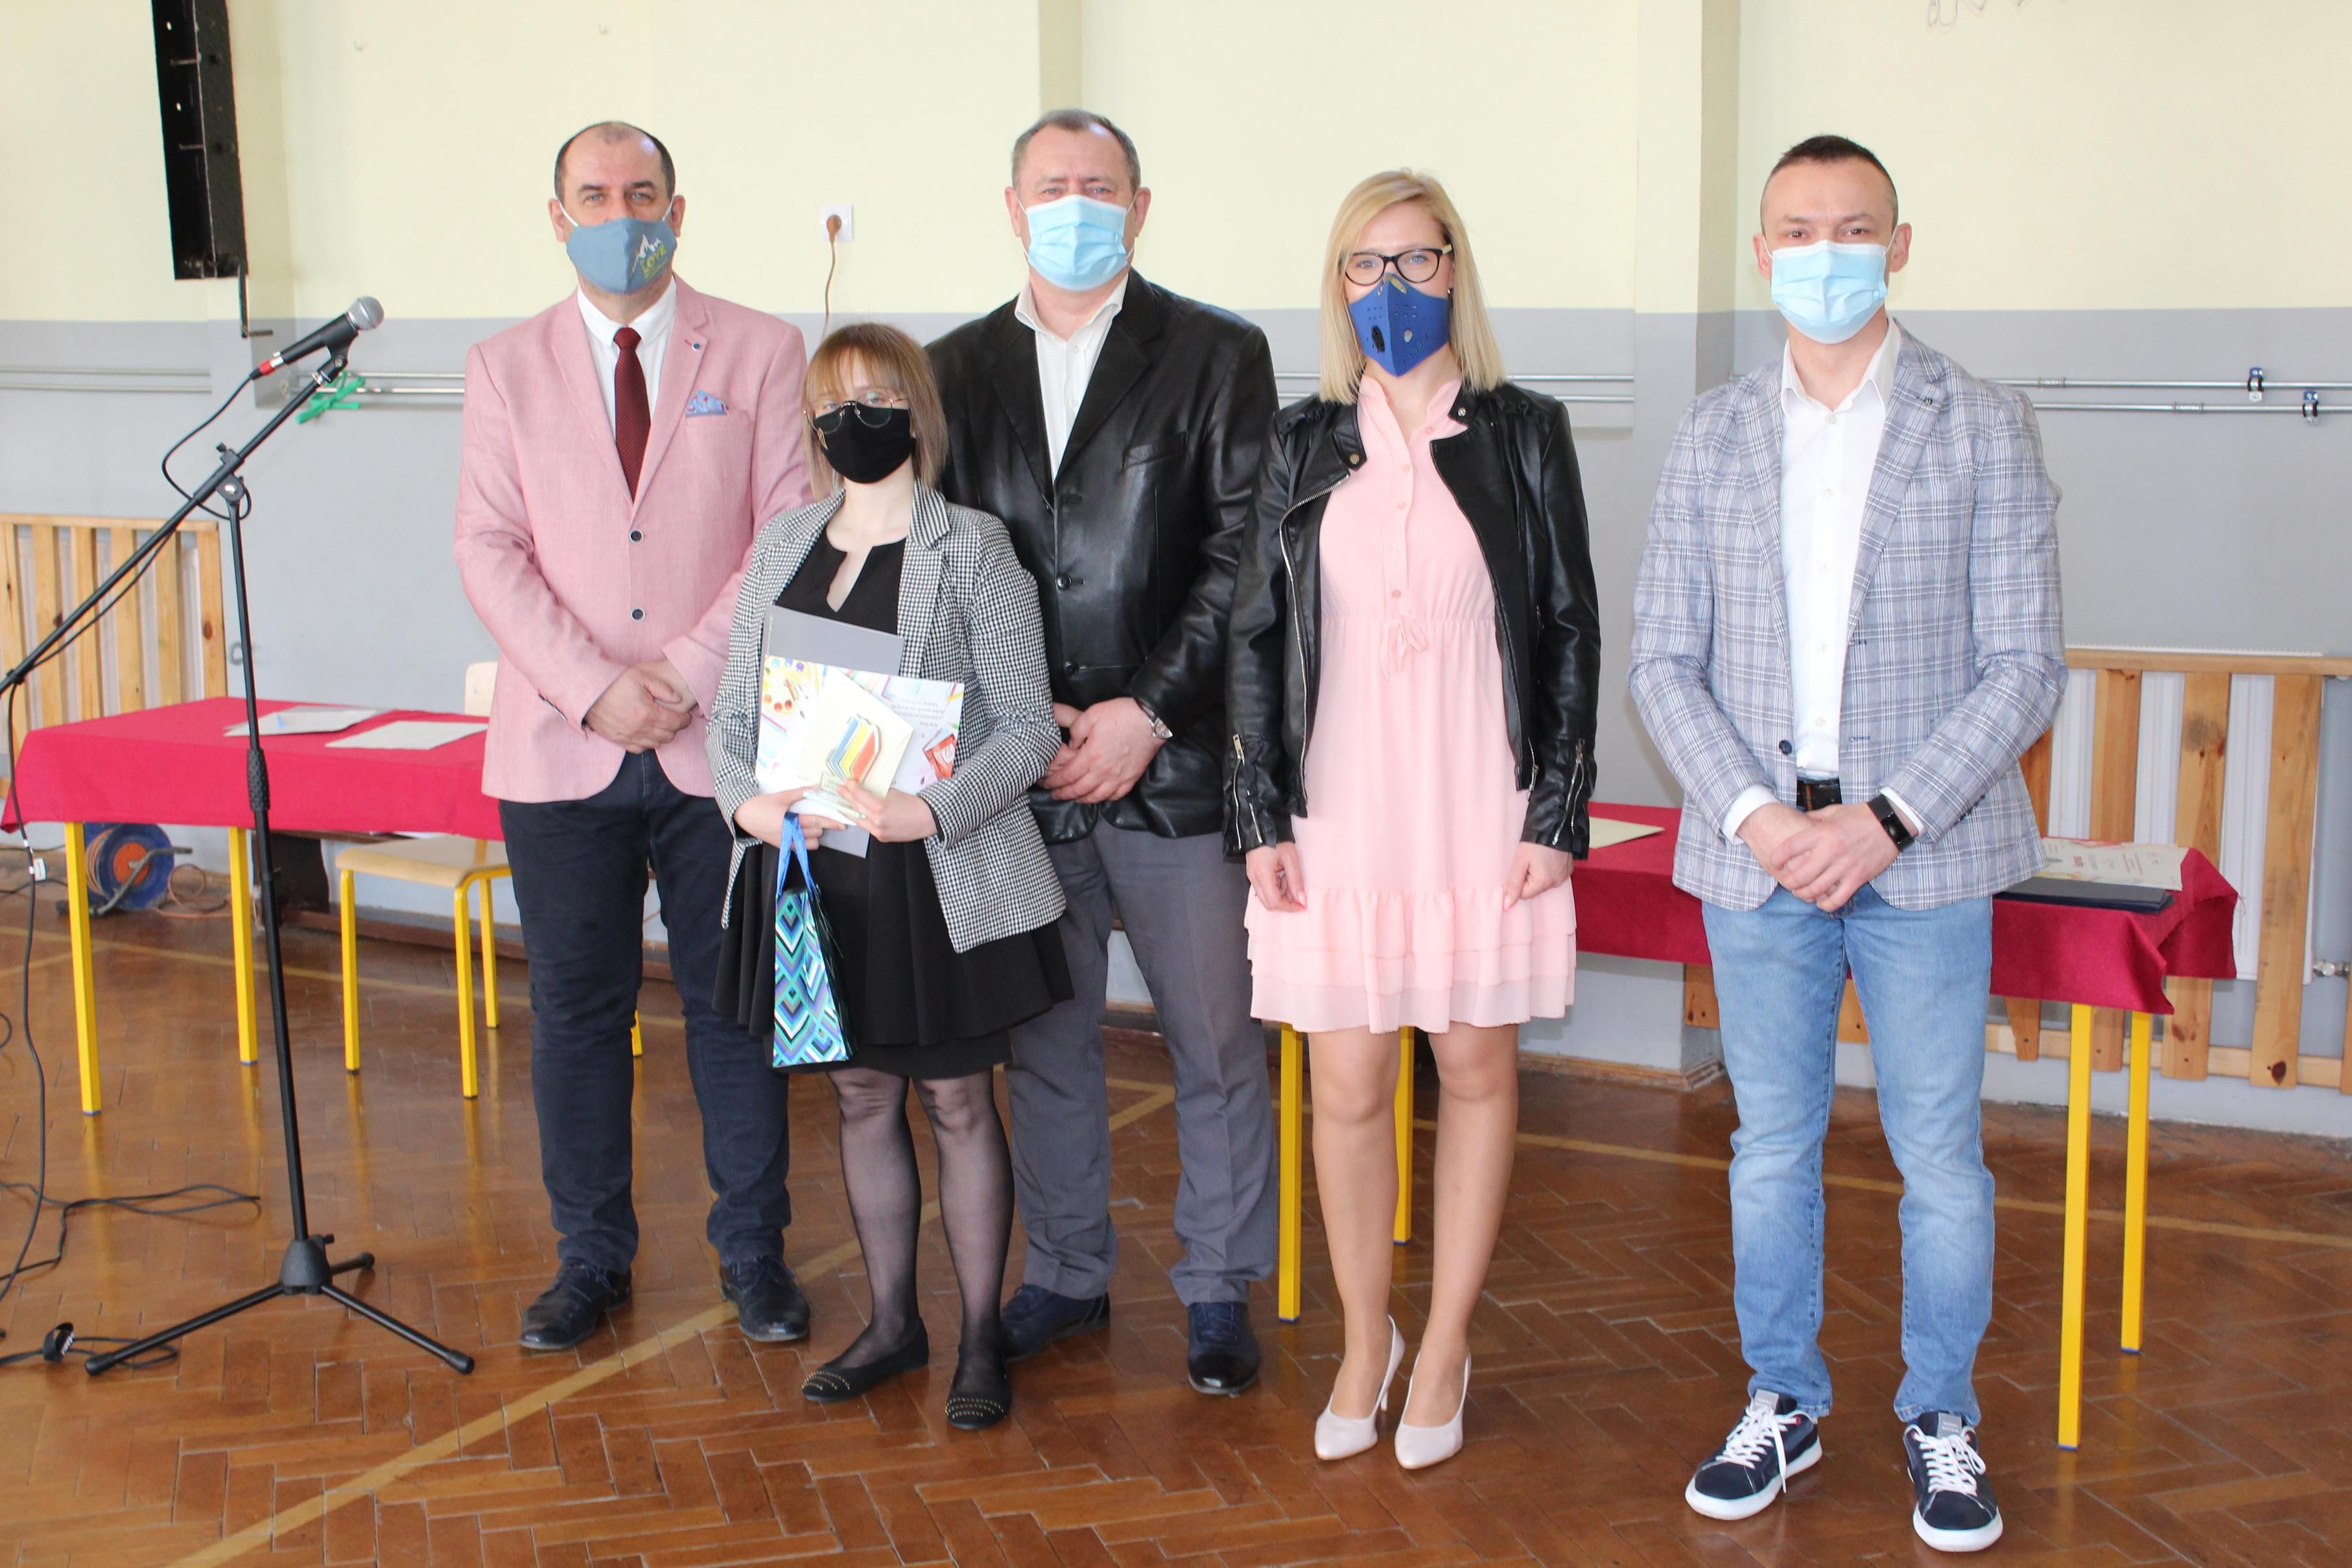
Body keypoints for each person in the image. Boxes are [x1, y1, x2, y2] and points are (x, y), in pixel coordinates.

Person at [1629, 135, 2063, 1552]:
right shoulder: (1710, 434)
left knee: (1939, 1156)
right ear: (1760, 254)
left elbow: (2022, 665)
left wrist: (1882, 820)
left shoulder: (1978, 422)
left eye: (1853, 227)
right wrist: (1757, 817)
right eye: (1798, 231)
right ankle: (1783, 1398)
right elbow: (1660, 664)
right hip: (1757, 853)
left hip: (1917, 852)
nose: (1826, 253)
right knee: (1770, 1150)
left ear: (1899, 245)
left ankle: (1941, 1414)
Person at [1227, 170, 1599, 1470]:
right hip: (1335, 799)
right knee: (1344, 1079)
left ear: (1455, 268)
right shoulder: (1297, 441)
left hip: (1476, 795)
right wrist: (1254, 808)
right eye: (1364, 263)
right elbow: (1254, 634)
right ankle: (1362, 1338)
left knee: (1477, 1065)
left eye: (1416, 259)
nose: (1392, 286)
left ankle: (1443, 1346)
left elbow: (1567, 627)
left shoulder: (1524, 431)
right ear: (1338, 286)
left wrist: (1556, 810)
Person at [927, 109, 1281, 1395]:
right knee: (1046, 1044)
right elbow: (941, 566)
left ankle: (1217, 1288)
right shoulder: (949, 369)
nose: (1073, 205)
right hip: (1019, 774)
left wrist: (1147, 711)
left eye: (1099, 185)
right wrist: (1026, 721)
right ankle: (1070, 1272)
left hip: (1173, 764)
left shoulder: (1216, 352)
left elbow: (1241, 556)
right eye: (1050, 185)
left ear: (1138, 206)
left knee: (1215, 1040)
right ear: (1010, 205)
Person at [454, 121, 812, 1353]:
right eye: (596, 196)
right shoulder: (503, 366)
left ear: (678, 209)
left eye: (643, 193)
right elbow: (487, 548)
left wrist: (687, 673)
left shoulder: (762, 349)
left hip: (723, 751)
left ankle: (755, 1255)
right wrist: (592, 688)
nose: (623, 215)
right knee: (575, 1014)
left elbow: (788, 531)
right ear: (558, 217)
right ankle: (591, 1258)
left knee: (735, 1009)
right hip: (561, 747)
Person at [707, 322, 1068, 1431]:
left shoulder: (975, 548)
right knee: (860, 1094)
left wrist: (932, 808)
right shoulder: (781, 544)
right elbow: (731, 722)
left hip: (933, 876)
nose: (848, 419)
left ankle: (979, 1340)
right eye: (829, 402)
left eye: (872, 396)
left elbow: (1028, 729)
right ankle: (891, 1324)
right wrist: (749, 806)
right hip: (818, 874)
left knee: (958, 1102)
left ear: (916, 409)